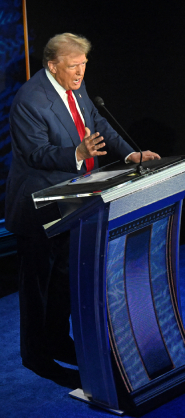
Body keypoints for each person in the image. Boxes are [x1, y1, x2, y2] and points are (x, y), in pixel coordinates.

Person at [5, 33, 160, 388]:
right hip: (38, 208)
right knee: (38, 287)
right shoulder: (29, 100)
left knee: (64, 280)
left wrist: (130, 154)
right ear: (52, 66)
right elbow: (36, 154)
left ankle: (60, 340)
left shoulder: (76, 86)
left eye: (84, 65)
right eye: (74, 66)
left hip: (74, 201)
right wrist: (77, 152)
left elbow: (97, 123)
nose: (80, 72)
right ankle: (36, 355)